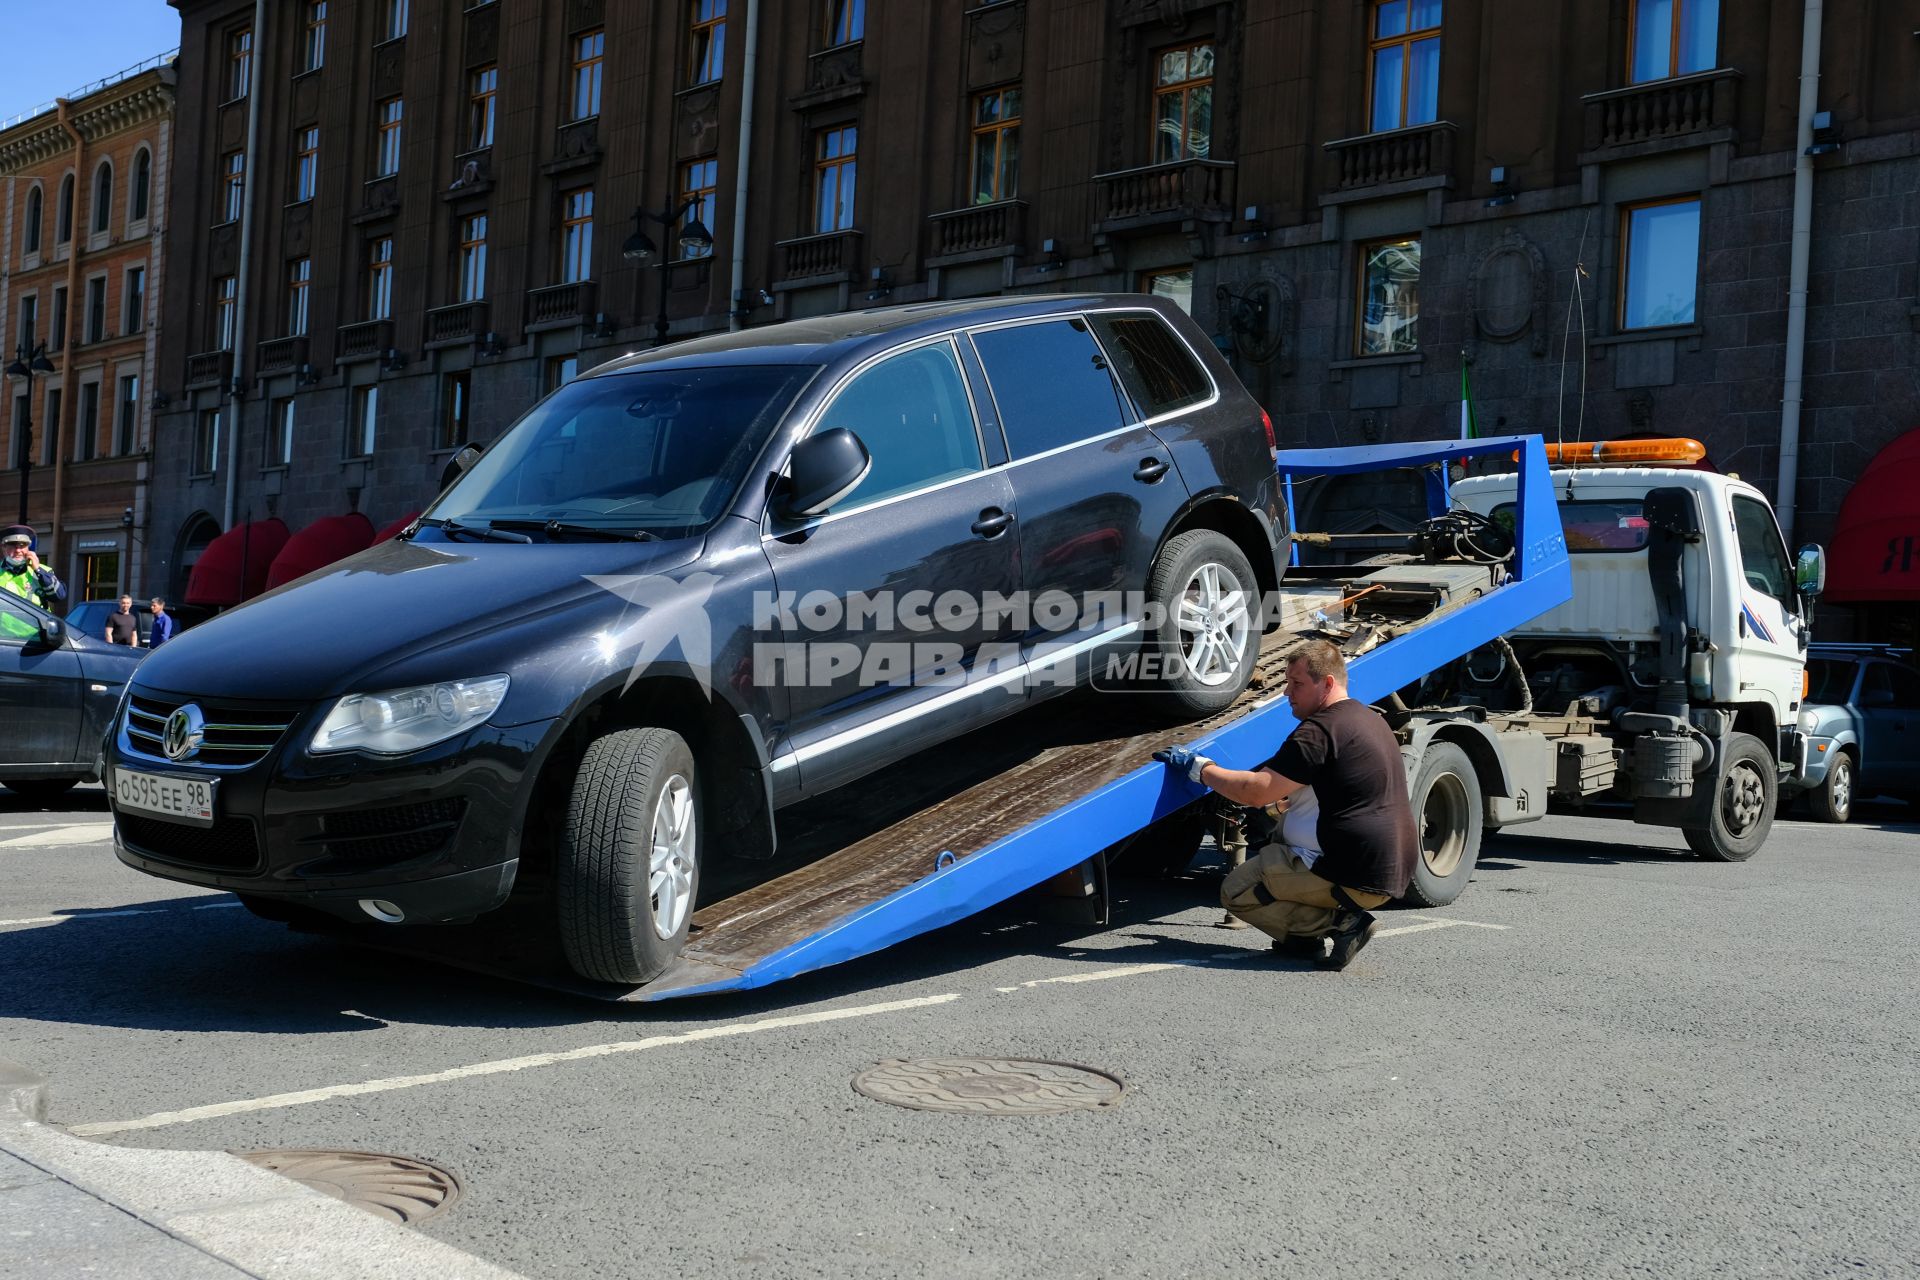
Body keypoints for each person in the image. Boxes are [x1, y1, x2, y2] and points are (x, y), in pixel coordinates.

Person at [1155, 639, 1417, 971]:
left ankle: (1343, 925)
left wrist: (1201, 769)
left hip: (1351, 872)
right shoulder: (1371, 721)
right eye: (1286, 683)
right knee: (1277, 841)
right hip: (1392, 867)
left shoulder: (1318, 732)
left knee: (1237, 889)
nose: (1286, 693)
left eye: (1297, 684)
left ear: (1328, 684)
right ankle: (1302, 940)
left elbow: (1255, 792)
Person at [0, 524, 64, 612]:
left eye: (22, 545)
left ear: (28, 548)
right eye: (12, 545)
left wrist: (38, 570)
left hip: (34, 625)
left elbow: (59, 596)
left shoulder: (43, 571)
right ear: (3, 547)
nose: (18, 550)